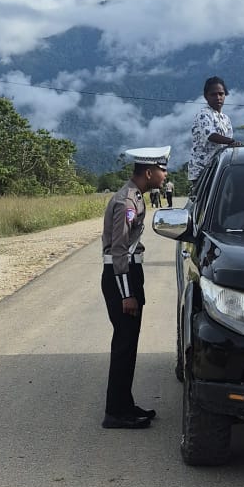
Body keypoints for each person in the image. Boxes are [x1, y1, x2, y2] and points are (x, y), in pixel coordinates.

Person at [100, 149, 169, 430]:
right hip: (121, 277)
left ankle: (124, 404)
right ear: (149, 172)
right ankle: (115, 412)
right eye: (162, 170)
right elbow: (119, 250)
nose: (166, 175)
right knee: (124, 345)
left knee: (129, 346)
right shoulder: (127, 201)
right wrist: (127, 293)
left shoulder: (136, 196)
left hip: (129, 272)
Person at [188, 76, 237, 188]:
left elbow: (228, 145)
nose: (218, 97)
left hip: (219, 168)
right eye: (213, 94)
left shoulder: (226, 119)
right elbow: (211, 135)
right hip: (202, 170)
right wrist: (231, 141)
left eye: (221, 94)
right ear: (206, 96)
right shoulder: (203, 115)